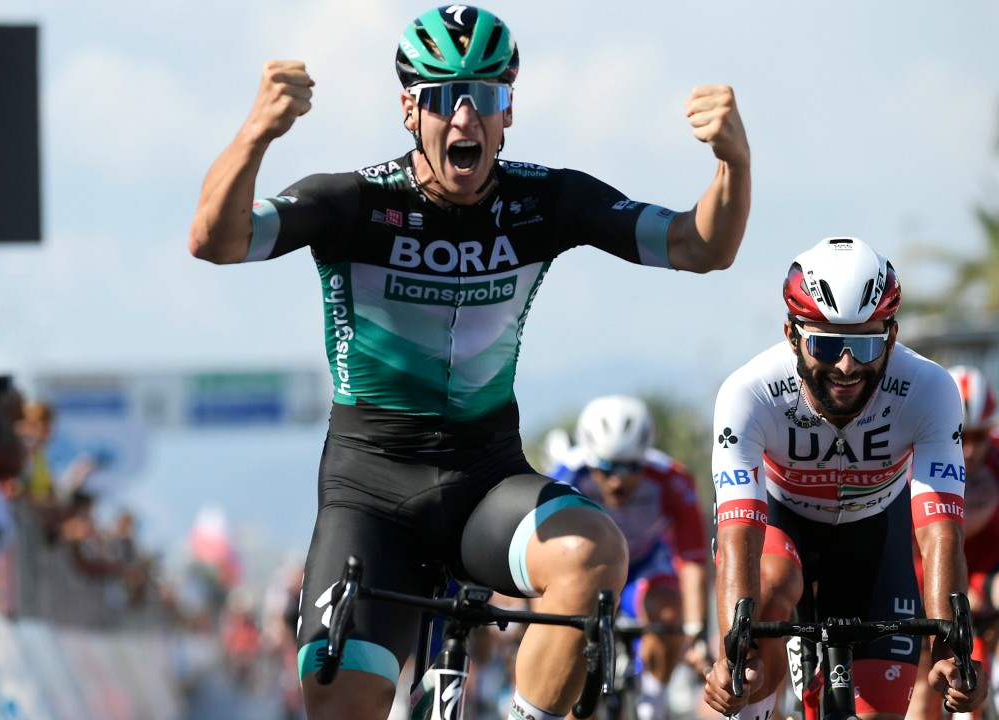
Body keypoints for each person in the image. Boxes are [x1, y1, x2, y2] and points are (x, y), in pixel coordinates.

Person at [189, 6, 750, 719]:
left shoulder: (546, 201)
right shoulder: (352, 202)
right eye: (440, 97)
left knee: (592, 553)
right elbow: (214, 238)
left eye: (483, 96)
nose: (463, 117)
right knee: (341, 708)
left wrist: (734, 162)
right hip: (371, 492)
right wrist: (257, 133)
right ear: (408, 108)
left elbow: (701, 247)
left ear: (507, 109)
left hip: (487, 481)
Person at [702, 237, 988, 720]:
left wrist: (947, 653)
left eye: (865, 344)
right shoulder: (748, 394)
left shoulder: (929, 389)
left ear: (892, 336)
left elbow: (941, 534)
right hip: (782, 525)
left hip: (875, 534)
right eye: (827, 344)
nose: (847, 365)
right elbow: (738, 538)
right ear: (792, 335)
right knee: (768, 594)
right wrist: (736, 657)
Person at [547, 395, 709, 720]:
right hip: (592, 566)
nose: (617, 480)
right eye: (606, 468)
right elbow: (547, 561)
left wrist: (697, 631)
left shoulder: (672, 479)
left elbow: (692, 560)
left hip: (646, 564)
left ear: (645, 458)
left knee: (667, 611)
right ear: (590, 459)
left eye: (630, 467)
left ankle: (653, 702)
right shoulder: (565, 476)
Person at [907, 365, 999, 720]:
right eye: (962, 436)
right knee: (924, 683)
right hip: (925, 582)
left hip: (982, 575)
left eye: (981, 437)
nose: (972, 449)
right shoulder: (912, 462)